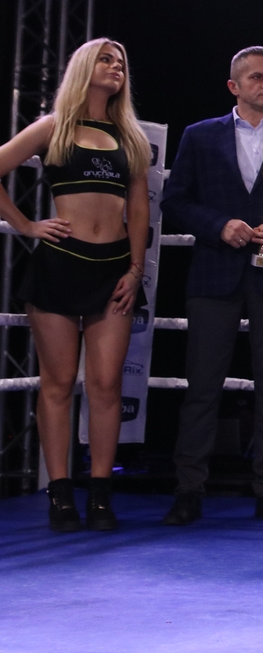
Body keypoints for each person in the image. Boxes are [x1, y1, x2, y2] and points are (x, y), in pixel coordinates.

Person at [159, 46, 263, 527]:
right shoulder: (199, 135)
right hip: (215, 270)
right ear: (234, 86)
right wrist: (218, 226)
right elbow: (175, 201)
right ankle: (188, 490)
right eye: (256, 77)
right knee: (202, 387)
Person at [0, 39, 151, 531]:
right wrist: (26, 225)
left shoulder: (129, 136)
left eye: (121, 62)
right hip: (60, 263)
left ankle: (101, 496)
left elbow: (140, 209)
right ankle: (60, 496)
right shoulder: (54, 126)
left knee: (106, 384)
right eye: (106, 59)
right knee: (59, 382)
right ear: (85, 67)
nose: (115, 67)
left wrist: (135, 269)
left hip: (114, 270)